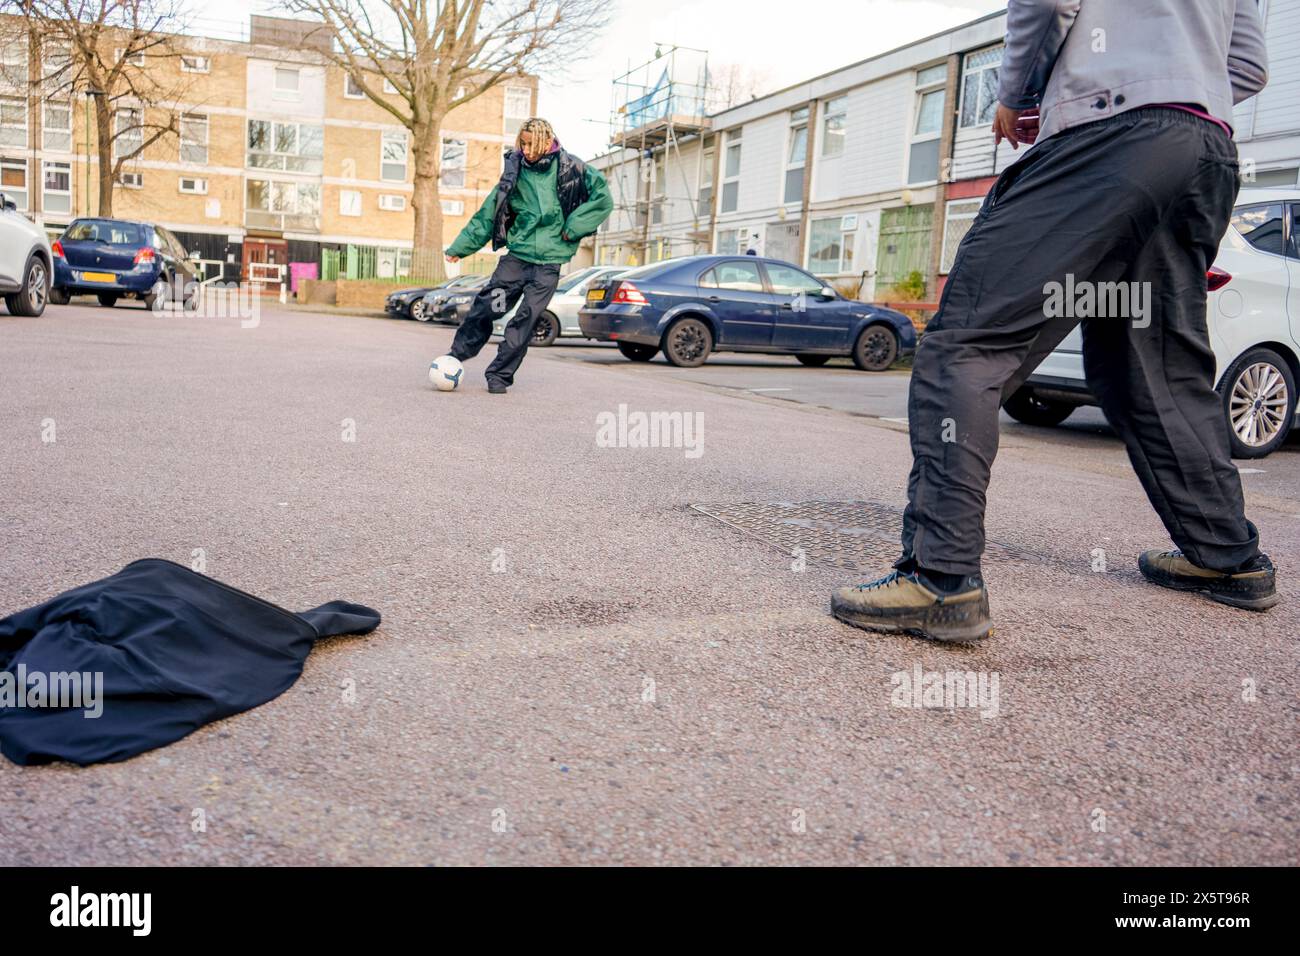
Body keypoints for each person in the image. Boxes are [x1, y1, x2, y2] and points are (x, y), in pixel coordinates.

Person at [832, 0, 1275, 643]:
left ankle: (941, 579)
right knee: (1152, 363)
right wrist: (1177, 92)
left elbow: (1046, 4)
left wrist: (1022, 96)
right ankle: (1227, 558)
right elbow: (1249, 67)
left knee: (967, 342)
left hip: (1107, 138)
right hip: (1205, 150)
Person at [440, 118, 612, 393]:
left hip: (548, 265)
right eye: (523, 143)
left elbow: (603, 199)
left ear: (547, 141)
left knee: (526, 319)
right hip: (516, 260)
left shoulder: (573, 168)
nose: (527, 149)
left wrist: (573, 228)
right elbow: (487, 214)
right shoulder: (515, 172)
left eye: (533, 144)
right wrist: (460, 248)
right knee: (490, 306)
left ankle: (499, 375)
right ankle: (456, 356)